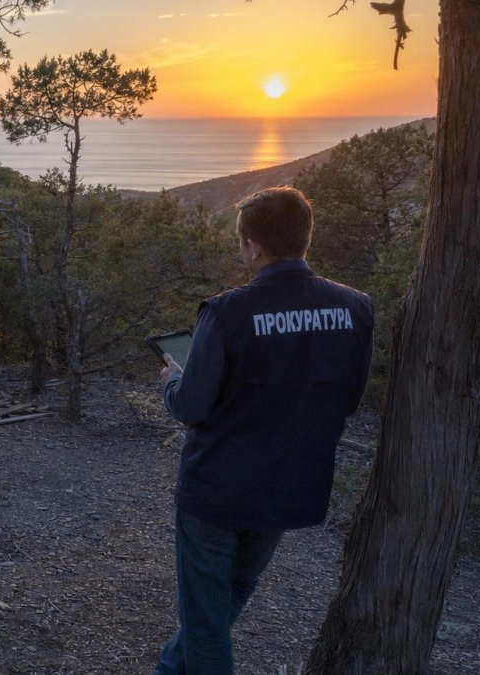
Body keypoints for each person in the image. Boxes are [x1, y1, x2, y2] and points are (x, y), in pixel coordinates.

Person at [153, 187, 373, 674]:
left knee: (207, 613)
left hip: (218, 488)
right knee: (228, 596)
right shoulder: (355, 308)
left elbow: (191, 406)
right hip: (291, 486)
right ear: (304, 237)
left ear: (252, 245)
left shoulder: (227, 311)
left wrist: (172, 380)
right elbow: (349, 399)